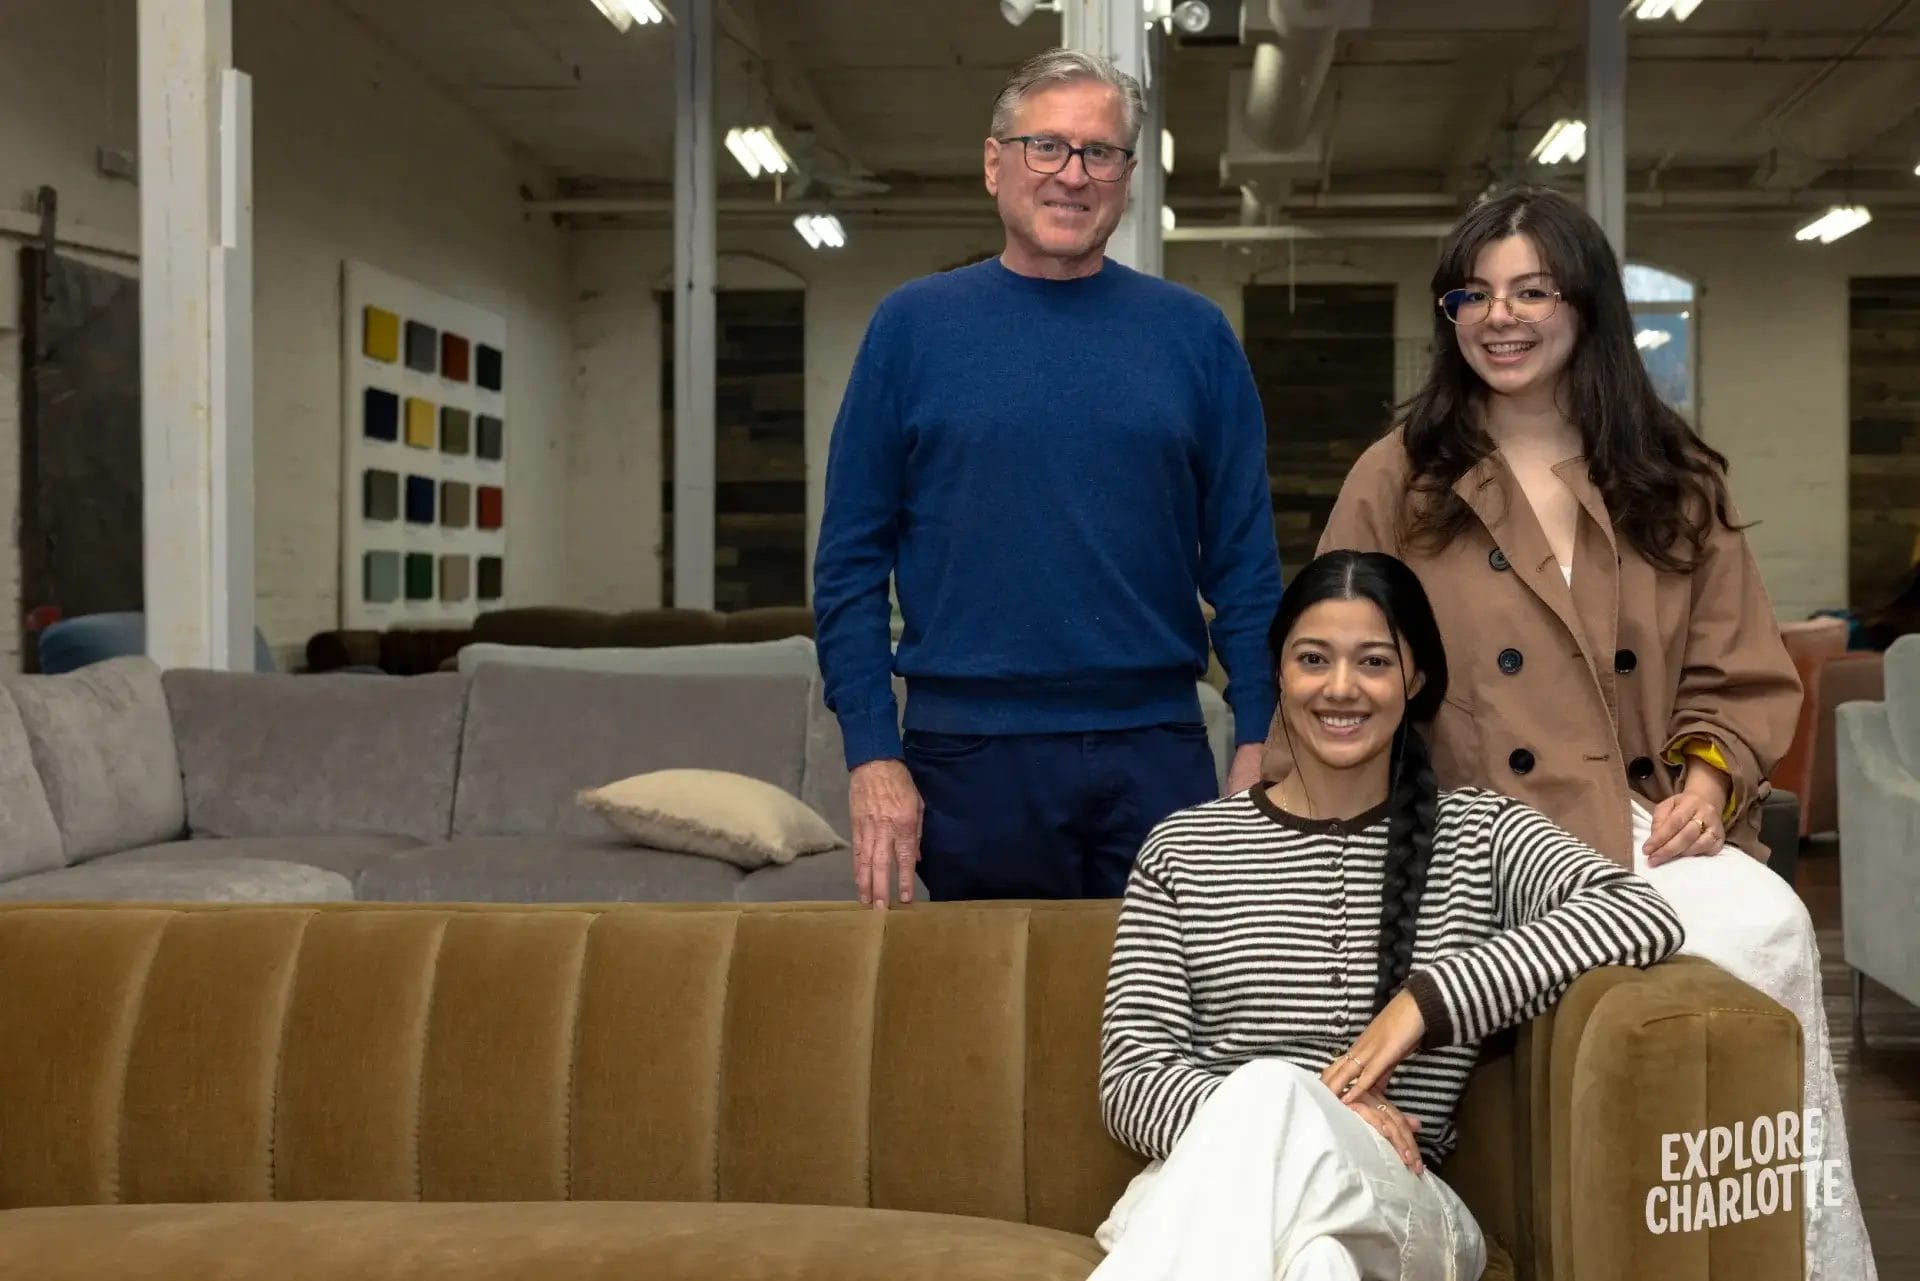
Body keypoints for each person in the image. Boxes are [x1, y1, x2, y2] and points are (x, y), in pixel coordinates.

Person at [1267, 185, 1876, 1279]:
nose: (1502, 317)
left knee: (1770, 925)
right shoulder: (1396, 476)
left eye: (1533, 290)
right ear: (1450, 317)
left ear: (1585, 304)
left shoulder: (1676, 479)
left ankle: (1782, 1254)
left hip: (1643, 829)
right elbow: (1329, 672)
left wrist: (1704, 780)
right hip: (1464, 840)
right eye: (1475, 294)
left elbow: (1734, 674)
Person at [1094, 549, 1685, 1281]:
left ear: (1415, 677)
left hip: (1405, 1203)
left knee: (1274, 1098)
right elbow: (1131, 1078)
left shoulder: (1479, 833)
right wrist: (1309, 1114)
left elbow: (1639, 912)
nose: (1341, 687)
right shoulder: (1185, 849)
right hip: (1216, 1188)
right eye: (1313, 658)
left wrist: (1425, 1001)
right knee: (1315, 1262)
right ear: (1277, 670)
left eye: (1372, 661)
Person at [812, 48, 1283, 908]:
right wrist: (873, 752)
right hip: (968, 761)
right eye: (1047, 148)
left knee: (1169, 1029)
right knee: (981, 1030)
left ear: (1129, 177)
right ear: (996, 163)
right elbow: (848, 562)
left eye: (1100, 153)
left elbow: (1247, 567)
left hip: (1160, 751)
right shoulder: (911, 329)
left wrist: (1260, 734)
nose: (1074, 174)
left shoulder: (1195, 337)